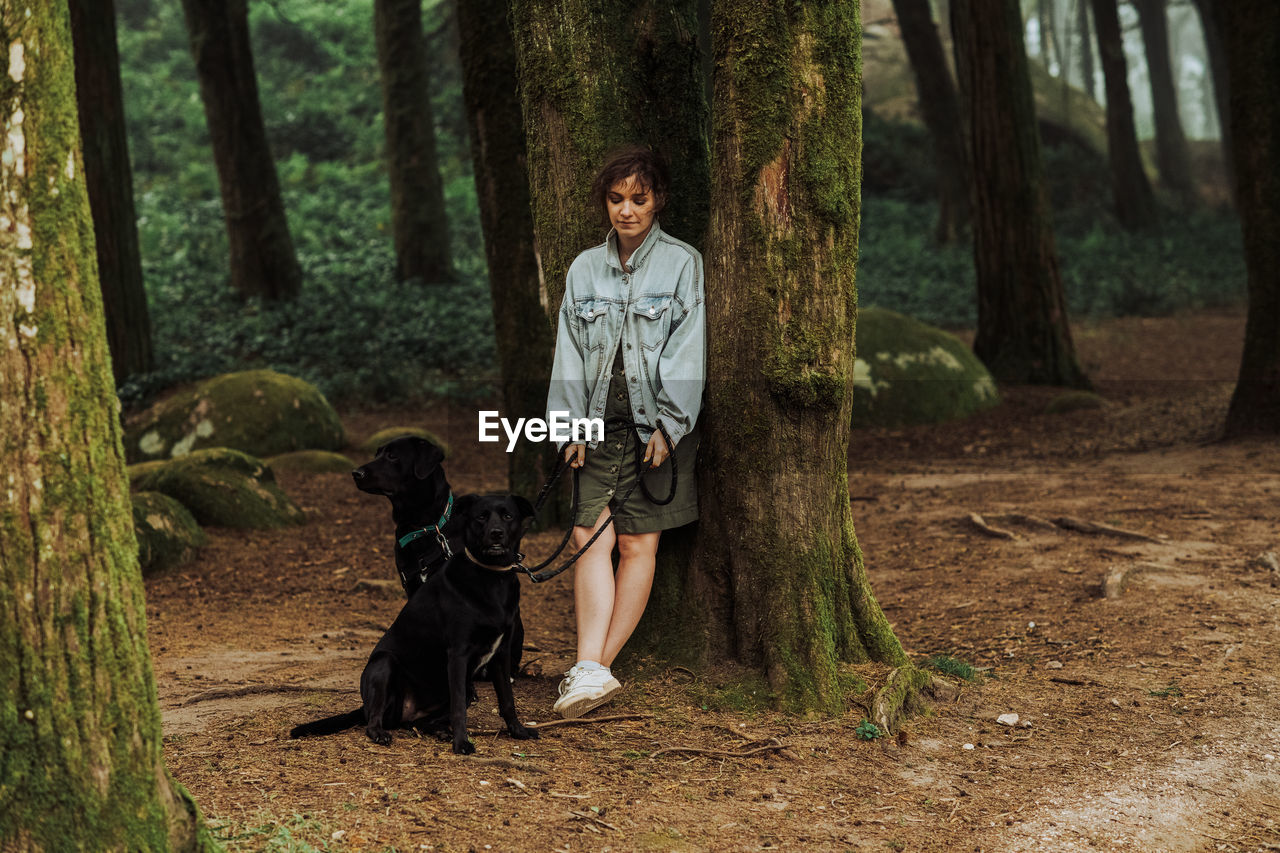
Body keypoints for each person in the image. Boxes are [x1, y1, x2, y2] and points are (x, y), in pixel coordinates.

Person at [545, 145, 706, 719]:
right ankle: (590, 667)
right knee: (589, 534)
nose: (627, 210)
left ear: (657, 199)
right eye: (616, 199)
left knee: (640, 541)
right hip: (596, 422)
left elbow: (688, 350)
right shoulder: (584, 268)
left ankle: (592, 668)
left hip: (653, 427)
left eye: (639, 198)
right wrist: (568, 426)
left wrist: (669, 423)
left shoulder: (683, 263)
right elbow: (568, 352)